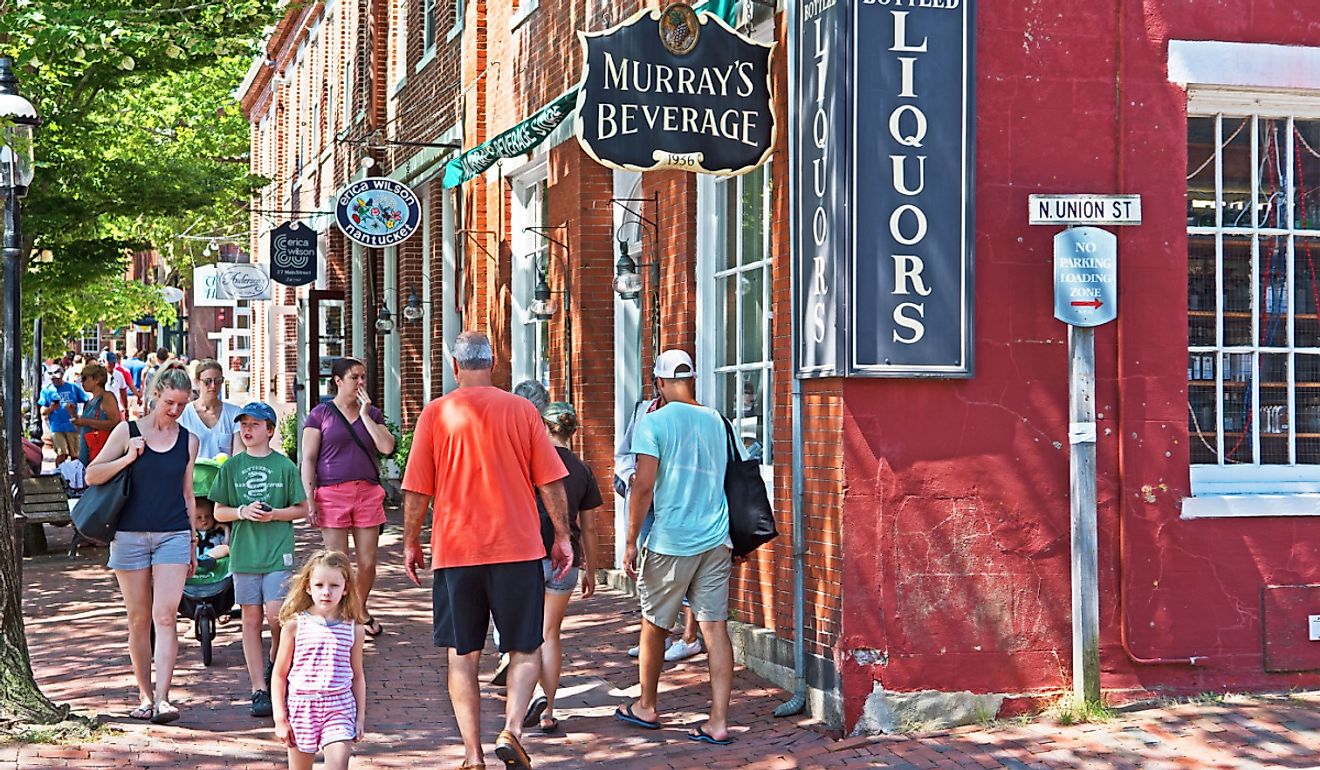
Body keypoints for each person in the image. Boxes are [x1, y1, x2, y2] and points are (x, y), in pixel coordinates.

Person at [402, 331, 572, 770]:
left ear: (455, 367)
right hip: (516, 547)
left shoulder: (436, 414)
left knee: (463, 656)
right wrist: (562, 536)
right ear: (493, 365)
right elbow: (550, 481)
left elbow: (417, 490)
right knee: (525, 648)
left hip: (457, 550)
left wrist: (410, 542)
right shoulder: (522, 410)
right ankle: (512, 730)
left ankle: (472, 755)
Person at [616, 349, 738, 745]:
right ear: (692, 380)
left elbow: (643, 486)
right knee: (715, 629)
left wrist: (631, 538)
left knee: (654, 624)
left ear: (660, 383)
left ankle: (647, 706)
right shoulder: (719, 421)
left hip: (673, 538)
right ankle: (718, 721)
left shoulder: (653, 423)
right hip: (717, 537)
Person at [85, 362, 199, 725]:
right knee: (138, 619)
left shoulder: (188, 440)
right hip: (130, 535)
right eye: (169, 402)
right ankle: (144, 696)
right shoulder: (126, 430)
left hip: (173, 534)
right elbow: (92, 475)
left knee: (165, 615)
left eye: (182, 404)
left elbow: (188, 494)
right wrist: (127, 456)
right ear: (155, 394)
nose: (175, 410)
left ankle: (164, 698)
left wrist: (193, 542)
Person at [211, 402, 309, 717]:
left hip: (277, 549)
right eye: (244, 424)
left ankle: (276, 666)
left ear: (270, 430)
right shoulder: (231, 467)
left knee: (277, 615)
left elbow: (302, 508)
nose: (248, 429)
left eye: (255, 424)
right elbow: (217, 511)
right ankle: (259, 688)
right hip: (244, 554)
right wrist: (241, 512)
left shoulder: (284, 467)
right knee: (251, 620)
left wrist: (274, 515)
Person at [521, 402, 602, 735]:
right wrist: (591, 570)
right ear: (572, 432)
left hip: (526, 554)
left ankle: (527, 699)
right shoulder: (583, 470)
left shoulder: (529, 464)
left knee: (524, 633)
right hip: (566, 560)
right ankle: (549, 711)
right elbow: (591, 527)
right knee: (550, 634)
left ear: (543, 426)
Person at [301, 358, 394, 639]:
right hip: (331, 493)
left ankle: (358, 608)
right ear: (338, 381)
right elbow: (308, 457)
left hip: (366, 492)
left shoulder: (372, 413)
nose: (361, 383)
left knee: (367, 561)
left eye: (363, 377)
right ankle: (343, 615)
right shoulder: (320, 414)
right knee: (338, 561)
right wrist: (309, 497)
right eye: (355, 377)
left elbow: (387, 447)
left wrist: (366, 415)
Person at [616, 391, 703, 663]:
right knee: (649, 567)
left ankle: (689, 638)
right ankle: (657, 637)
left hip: (678, 500)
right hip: (648, 500)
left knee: (685, 567)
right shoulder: (643, 410)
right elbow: (626, 452)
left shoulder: (694, 415)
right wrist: (630, 474)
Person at [272, 550, 367, 770]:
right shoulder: (295, 625)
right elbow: (279, 674)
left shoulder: (354, 629)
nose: (326, 592)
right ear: (308, 587)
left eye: (334, 586)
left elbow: (358, 676)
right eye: (319, 585)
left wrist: (360, 717)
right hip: (302, 708)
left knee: (337, 765)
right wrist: (280, 718)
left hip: (339, 707)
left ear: (345, 589)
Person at [177, 360, 243, 460]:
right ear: (197, 382)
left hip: (225, 474)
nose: (213, 386)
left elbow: (239, 454)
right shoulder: (183, 414)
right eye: (207, 381)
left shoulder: (234, 413)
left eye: (218, 381)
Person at [72, 362, 121, 466]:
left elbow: (115, 422)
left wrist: (87, 422)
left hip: (100, 452)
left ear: (97, 380)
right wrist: (73, 414)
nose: (82, 382)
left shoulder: (107, 397)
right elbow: (82, 428)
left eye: (85, 378)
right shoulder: (90, 401)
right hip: (87, 451)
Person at [37, 365, 88, 465]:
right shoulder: (47, 390)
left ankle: (75, 477)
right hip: (57, 427)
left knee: (76, 456)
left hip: (72, 426)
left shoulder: (72, 387)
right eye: (52, 378)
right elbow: (42, 411)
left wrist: (83, 415)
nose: (55, 380)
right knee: (62, 454)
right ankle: (59, 475)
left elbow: (86, 400)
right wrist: (51, 408)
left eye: (57, 378)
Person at [102, 351, 139, 418]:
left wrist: (126, 407)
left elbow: (123, 392)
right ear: (104, 361)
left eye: (113, 362)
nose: (112, 365)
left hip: (117, 408)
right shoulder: (100, 374)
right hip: (103, 407)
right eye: (109, 362)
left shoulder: (119, 374)